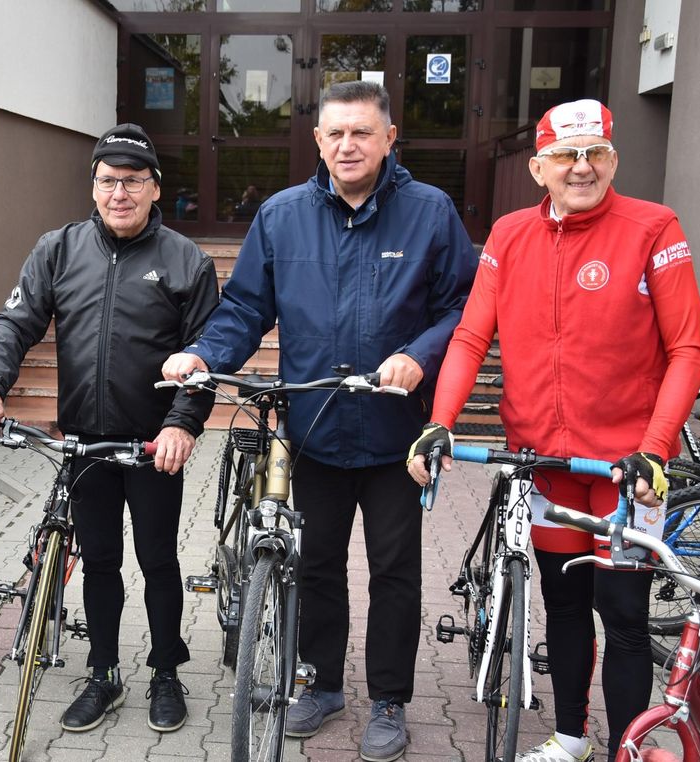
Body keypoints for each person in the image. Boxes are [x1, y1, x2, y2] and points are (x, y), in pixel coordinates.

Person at [163, 81, 476, 761]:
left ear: (390, 137)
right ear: (317, 141)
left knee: (395, 571)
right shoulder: (282, 216)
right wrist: (202, 355)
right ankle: (323, 684)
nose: (347, 146)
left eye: (362, 132)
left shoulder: (430, 212)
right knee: (318, 567)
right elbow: (246, 308)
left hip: (398, 434)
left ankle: (390, 698)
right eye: (335, 134)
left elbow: (462, 308)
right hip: (315, 429)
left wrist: (420, 356)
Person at [407, 99, 700, 762]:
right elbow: (468, 336)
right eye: (566, 156)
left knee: (624, 616)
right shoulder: (510, 237)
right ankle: (571, 737)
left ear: (614, 160)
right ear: (539, 167)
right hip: (546, 464)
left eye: (595, 152)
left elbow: (688, 349)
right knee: (564, 605)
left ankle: (626, 749)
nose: (581, 167)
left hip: (627, 473)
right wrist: (440, 423)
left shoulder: (654, 227)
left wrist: (654, 448)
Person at [0, 123, 218, 734]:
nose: (119, 193)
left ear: (156, 188)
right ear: (93, 186)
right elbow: (15, 325)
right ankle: (103, 673)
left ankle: (165, 672)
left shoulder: (186, 260)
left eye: (132, 181)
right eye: (107, 181)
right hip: (84, 443)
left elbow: (209, 353)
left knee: (158, 561)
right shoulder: (59, 248)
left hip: (155, 445)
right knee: (99, 562)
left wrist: (182, 424)